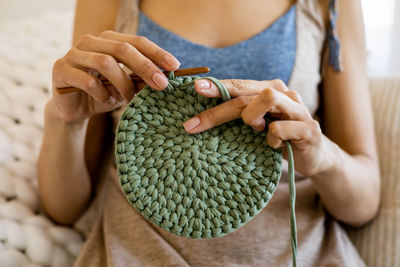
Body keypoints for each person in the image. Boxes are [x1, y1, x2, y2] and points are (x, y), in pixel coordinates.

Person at [38, 0, 380, 266]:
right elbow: (65, 209)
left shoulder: (329, 5)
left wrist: (323, 157)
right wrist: (64, 120)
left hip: (298, 255)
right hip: (136, 255)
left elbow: (364, 202)